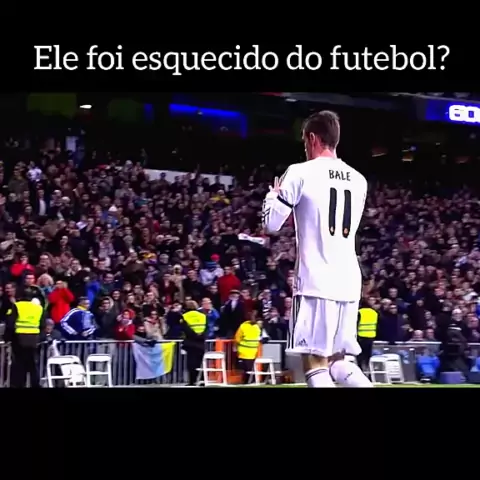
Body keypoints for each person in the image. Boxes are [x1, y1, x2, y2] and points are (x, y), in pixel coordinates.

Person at [262, 110, 372, 388]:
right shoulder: (359, 180)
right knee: (340, 361)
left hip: (316, 280)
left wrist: (272, 196)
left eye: (304, 141)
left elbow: (271, 224)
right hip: (349, 281)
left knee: (315, 363)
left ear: (312, 138)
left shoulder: (300, 172)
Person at [5, 297, 45, 388]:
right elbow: (42, 325)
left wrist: (7, 338)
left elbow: (10, 324)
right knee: (32, 364)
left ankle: (18, 384)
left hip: (19, 339)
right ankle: (35, 385)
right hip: (33, 340)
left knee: (19, 364)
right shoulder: (39, 308)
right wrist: (39, 339)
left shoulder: (17, 306)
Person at [181, 300, 207, 386]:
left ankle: (192, 381)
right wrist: (201, 336)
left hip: (191, 343)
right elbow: (207, 328)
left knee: (191, 363)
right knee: (201, 363)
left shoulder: (184, 316)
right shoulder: (203, 316)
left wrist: (194, 335)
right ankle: (202, 381)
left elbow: (185, 329)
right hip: (201, 343)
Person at [234, 311, 262, 384]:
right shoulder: (256, 326)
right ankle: (249, 381)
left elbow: (237, 338)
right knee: (248, 368)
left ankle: (248, 381)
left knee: (247, 368)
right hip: (248, 351)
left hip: (247, 351)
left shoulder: (244, 326)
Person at [357, 305, 378, 373]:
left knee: (360, 357)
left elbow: (355, 324)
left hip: (360, 337)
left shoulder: (359, 312)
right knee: (367, 357)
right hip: (371, 337)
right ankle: (368, 372)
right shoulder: (374, 312)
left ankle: (360, 370)